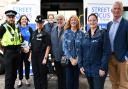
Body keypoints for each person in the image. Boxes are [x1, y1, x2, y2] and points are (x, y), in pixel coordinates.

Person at [78, 13, 110, 89]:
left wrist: (102, 68)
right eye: (90, 20)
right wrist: (81, 65)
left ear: (97, 21)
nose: (92, 22)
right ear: (88, 22)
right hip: (87, 68)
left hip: (98, 69)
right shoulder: (85, 35)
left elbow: (106, 52)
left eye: (94, 20)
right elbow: (81, 51)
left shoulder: (103, 33)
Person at [107, 1, 128, 89]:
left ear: (122, 11)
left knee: (123, 84)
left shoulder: (126, 24)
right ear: (112, 10)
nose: (116, 10)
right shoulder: (109, 24)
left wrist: (126, 56)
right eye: (115, 8)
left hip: (122, 59)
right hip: (110, 58)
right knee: (114, 82)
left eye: (119, 8)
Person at [0, 10, 21, 89]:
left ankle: (11, 87)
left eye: (13, 17)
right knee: (9, 75)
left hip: (16, 52)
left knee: (14, 74)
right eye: (10, 17)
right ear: (6, 17)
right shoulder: (3, 27)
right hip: (8, 52)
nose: (11, 19)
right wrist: (2, 49)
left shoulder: (16, 27)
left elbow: (18, 38)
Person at [63, 15, 84, 89]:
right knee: (69, 81)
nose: (73, 21)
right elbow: (64, 47)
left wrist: (77, 59)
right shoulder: (66, 32)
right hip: (69, 61)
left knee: (76, 81)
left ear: (77, 22)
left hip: (78, 61)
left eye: (75, 20)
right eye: (71, 20)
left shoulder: (81, 33)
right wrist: (71, 59)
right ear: (69, 22)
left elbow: (83, 47)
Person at [31, 15, 51, 89]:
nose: (39, 24)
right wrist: (30, 56)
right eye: (38, 23)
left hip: (42, 56)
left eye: (41, 23)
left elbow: (48, 46)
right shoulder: (33, 33)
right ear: (36, 23)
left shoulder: (46, 33)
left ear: (43, 23)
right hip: (34, 57)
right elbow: (31, 46)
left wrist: (45, 58)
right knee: (36, 74)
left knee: (42, 74)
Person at [16, 15, 33, 88]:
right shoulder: (17, 29)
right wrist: (21, 48)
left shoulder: (29, 28)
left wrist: (29, 47)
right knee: (19, 65)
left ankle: (27, 79)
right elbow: (16, 40)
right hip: (20, 50)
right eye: (22, 19)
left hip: (28, 50)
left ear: (27, 20)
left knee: (27, 65)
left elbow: (32, 39)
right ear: (20, 20)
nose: (24, 20)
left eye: (25, 19)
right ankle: (20, 79)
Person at [51, 14, 66, 89]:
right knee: (59, 76)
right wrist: (52, 55)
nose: (59, 21)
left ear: (64, 20)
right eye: (58, 19)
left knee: (66, 77)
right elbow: (52, 43)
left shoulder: (67, 29)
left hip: (65, 58)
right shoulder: (53, 29)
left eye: (61, 19)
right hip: (56, 58)